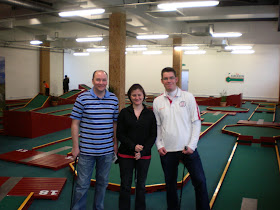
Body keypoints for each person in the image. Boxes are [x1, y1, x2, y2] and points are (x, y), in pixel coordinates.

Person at [153, 67, 210, 210]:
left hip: (188, 149)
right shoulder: (157, 101)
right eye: (165, 78)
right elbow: (157, 126)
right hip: (167, 151)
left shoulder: (188, 97)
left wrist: (192, 145)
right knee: (170, 185)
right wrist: (159, 145)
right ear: (162, 81)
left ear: (176, 79)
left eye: (171, 78)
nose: (169, 81)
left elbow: (196, 122)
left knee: (200, 181)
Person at [70, 70, 119, 210]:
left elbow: (115, 123)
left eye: (104, 80)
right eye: (98, 80)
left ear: (107, 81)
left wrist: (115, 144)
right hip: (86, 151)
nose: (101, 83)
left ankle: (99, 207)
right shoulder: (82, 98)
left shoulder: (113, 99)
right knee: (82, 184)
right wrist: (75, 147)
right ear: (92, 81)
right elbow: (75, 123)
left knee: (102, 183)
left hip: (107, 151)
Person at [117, 84, 157, 210]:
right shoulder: (124, 113)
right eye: (134, 95)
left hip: (144, 156)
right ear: (130, 97)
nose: (137, 97)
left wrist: (143, 151)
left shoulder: (150, 114)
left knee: (141, 185)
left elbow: (153, 135)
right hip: (125, 155)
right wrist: (133, 146)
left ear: (143, 96)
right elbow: (120, 134)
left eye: (139, 95)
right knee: (125, 185)